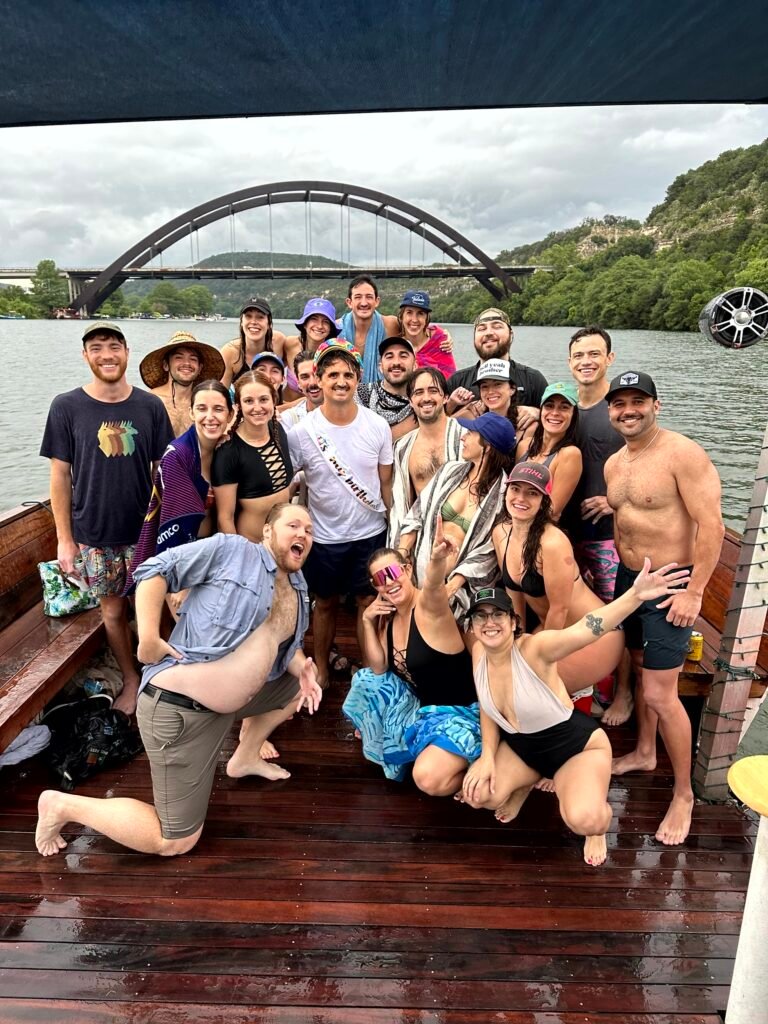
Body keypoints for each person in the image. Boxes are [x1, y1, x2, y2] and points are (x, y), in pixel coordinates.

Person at [35, 503, 323, 858]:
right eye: (293, 525)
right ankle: (63, 806)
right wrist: (150, 638)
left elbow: (281, 642)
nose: (303, 535)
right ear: (267, 531)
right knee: (174, 841)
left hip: (226, 704)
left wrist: (302, 669)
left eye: (309, 531)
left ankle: (244, 757)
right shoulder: (232, 550)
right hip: (179, 711)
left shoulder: (297, 586)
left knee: (298, 688)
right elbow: (154, 570)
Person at [461, 560, 690, 865]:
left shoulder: (535, 648)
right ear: (473, 627)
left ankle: (596, 827)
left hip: (575, 747)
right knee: (481, 796)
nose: (490, 623)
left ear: (514, 622)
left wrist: (634, 596)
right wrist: (487, 758)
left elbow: (589, 627)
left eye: (498, 614)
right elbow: (489, 710)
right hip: (523, 748)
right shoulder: (479, 653)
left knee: (584, 820)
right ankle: (527, 782)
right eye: (481, 617)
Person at [604, 370, 724, 846]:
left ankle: (683, 794)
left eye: (638, 401)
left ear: (657, 405)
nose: (628, 410)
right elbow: (630, 512)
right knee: (632, 661)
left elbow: (710, 525)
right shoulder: (616, 462)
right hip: (630, 579)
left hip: (671, 582)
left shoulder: (683, 454)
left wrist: (694, 591)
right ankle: (645, 752)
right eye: (619, 404)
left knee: (659, 694)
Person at [40, 321, 174, 715]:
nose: (107, 355)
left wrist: (171, 524)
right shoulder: (66, 407)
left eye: (114, 346)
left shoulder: (149, 406)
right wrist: (65, 539)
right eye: (96, 348)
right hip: (94, 531)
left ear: (127, 353)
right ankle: (131, 678)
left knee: (159, 603)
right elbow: (60, 476)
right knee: (113, 611)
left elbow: (164, 469)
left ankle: (164, 674)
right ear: (86, 357)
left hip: (144, 529)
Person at [286, 339, 394, 687]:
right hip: (325, 536)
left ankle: (369, 669)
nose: (341, 381)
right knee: (325, 603)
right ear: (318, 377)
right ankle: (320, 665)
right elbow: (287, 484)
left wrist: (396, 526)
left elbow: (386, 483)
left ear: (359, 377)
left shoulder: (377, 426)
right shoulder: (302, 433)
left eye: (348, 373)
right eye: (332, 374)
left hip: (370, 532)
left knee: (367, 602)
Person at [344, 523, 481, 791]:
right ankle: (428, 748)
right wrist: (367, 621)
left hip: (460, 713)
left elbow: (433, 588)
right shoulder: (390, 616)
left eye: (393, 572)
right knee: (365, 681)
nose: (389, 582)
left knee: (427, 779)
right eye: (380, 579)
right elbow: (380, 668)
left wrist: (437, 559)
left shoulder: (429, 609)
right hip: (422, 709)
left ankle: (477, 761)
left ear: (407, 569)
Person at [493, 462, 624, 696]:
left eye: (532, 493)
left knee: (528, 687)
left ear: (544, 501)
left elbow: (559, 609)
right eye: (515, 489)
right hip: (555, 630)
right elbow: (515, 597)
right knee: (501, 669)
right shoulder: (501, 533)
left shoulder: (552, 543)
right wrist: (515, 641)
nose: (521, 498)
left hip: (595, 635)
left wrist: (541, 658)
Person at [567, 326, 631, 725]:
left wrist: (614, 499)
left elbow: (648, 466)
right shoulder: (568, 409)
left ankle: (623, 693)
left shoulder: (620, 410)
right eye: (579, 355)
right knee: (583, 617)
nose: (586, 362)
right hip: (572, 535)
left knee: (617, 616)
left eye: (594, 354)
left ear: (609, 358)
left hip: (610, 537)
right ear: (570, 362)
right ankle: (590, 684)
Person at [125, 379, 233, 597]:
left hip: (215, 550)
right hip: (179, 555)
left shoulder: (229, 449)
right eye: (201, 409)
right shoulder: (178, 455)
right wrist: (179, 580)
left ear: (230, 415)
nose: (210, 417)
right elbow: (176, 523)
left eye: (219, 409)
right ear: (191, 413)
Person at [398, 412, 516, 612]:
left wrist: (451, 587)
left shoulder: (504, 496)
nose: (463, 436)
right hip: (418, 574)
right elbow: (417, 513)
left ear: (487, 446)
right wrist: (401, 555)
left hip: (457, 590)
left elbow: (488, 553)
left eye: (470, 433)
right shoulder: (450, 471)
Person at [212, 370, 293, 543]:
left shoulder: (277, 430)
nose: (257, 408)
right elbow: (224, 518)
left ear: (274, 400)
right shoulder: (229, 451)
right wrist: (238, 557)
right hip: (251, 546)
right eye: (249, 401)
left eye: (264, 399)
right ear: (239, 406)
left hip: (283, 544)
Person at [389, 367, 463, 544]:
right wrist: (401, 548)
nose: (426, 398)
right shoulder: (403, 447)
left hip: (460, 534)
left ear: (445, 397)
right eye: (419, 392)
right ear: (411, 401)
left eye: (433, 391)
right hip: (421, 538)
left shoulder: (466, 438)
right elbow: (401, 503)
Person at [446, 308, 547, 430]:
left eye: (497, 326)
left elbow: (559, 417)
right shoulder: (457, 381)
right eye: (482, 328)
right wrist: (453, 407)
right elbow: (434, 427)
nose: (488, 332)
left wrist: (538, 413)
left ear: (511, 334)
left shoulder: (533, 379)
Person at [515, 381, 582, 521]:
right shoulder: (524, 446)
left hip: (541, 531)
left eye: (564, 407)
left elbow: (553, 512)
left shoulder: (570, 455)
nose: (555, 413)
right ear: (541, 411)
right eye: (549, 406)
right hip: (514, 524)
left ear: (573, 414)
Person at [139, 332, 225, 437]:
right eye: (179, 358)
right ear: (166, 365)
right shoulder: (151, 401)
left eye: (193, 359)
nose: (187, 364)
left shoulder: (204, 403)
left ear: (200, 368)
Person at [356, 337, 418, 440]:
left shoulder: (421, 400)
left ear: (415, 365)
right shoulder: (362, 394)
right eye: (389, 357)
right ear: (380, 366)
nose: (396, 363)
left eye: (403, 356)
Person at [220, 298, 288, 387]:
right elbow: (221, 392)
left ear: (269, 324)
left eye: (260, 317)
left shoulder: (279, 342)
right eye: (248, 316)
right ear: (241, 322)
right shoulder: (230, 352)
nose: (253, 322)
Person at [282, 297, 339, 400]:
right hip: (285, 409)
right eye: (314, 319)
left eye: (325, 321)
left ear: (330, 328)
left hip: (316, 412)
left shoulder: (334, 355)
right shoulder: (289, 344)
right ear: (305, 324)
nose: (319, 326)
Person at [396, 289, 456, 378]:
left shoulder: (439, 340)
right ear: (401, 317)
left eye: (420, 313)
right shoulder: (395, 344)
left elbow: (451, 378)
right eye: (409, 312)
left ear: (426, 319)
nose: (414, 319)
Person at [279, 349, 324, 429]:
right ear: (298, 383)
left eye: (317, 375)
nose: (312, 382)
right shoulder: (289, 420)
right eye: (305, 377)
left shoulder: (349, 411)